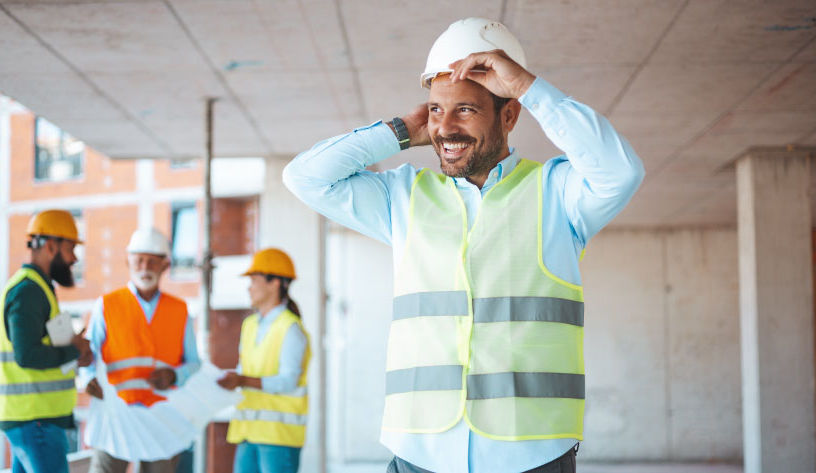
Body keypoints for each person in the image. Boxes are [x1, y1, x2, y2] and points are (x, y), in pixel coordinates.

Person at [283, 17, 645, 473]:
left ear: (509, 115)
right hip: (420, 451)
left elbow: (621, 171)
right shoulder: (403, 198)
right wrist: (399, 130)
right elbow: (303, 178)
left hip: (529, 452)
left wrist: (529, 88)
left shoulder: (558, 194)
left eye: (466, 110)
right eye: (436, 109)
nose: (446, 128)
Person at [80, 228, 201, 473]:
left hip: (161, 416)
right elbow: (87, 356)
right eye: (139, 260)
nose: (145, 266)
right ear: (128, 261)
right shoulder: (106, 305)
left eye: (152, 261)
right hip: (115, 413)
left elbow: (194, 363)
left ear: (165, 265)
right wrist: (88, 379)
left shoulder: (179, 310)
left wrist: (175, 376)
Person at [0, 209, 93, 473]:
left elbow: (39, 345)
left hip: (33, 419)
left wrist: (74, 349)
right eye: (71, 249)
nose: (74, 258)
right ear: (50, 246)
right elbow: (27, 355)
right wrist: (73, 350)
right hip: (35, 420)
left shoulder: (38, 287)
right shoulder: (28, 291)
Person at [218, 248, 311, 473]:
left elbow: (288, 381)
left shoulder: (291, 328)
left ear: (274, 283)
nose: (249, 286)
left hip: (278, 438)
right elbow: (245, 370)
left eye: (254, 280)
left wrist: (242, 380)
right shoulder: (249, 325)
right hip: (248, 431)